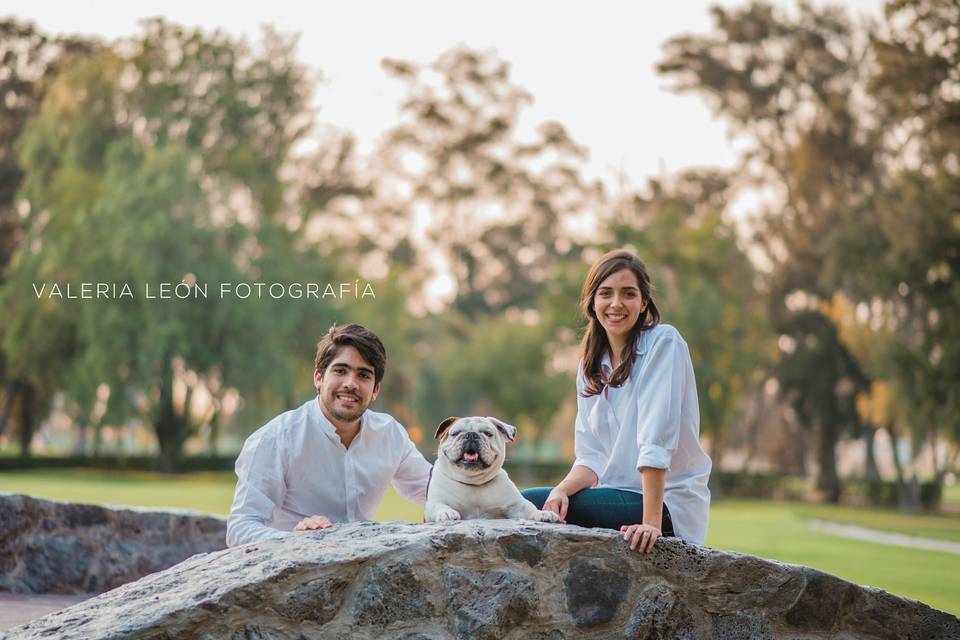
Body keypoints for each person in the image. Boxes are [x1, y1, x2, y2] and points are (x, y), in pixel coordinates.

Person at [523, 249, 711, 553]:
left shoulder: (663, 343)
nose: (616, 304)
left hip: (665, 504)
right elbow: (591, 457)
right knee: (536, 502)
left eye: (628, 293)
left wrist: (651, 523)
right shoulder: (590, 366)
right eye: (606, 293)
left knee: (526, 503)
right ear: (592, 302)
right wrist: (560, 490)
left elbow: (656, 439)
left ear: (644, 301)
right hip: (615, 493)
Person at [226, 323, 432, 547]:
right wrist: (294, 541)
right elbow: (240, 528)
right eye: (340, 370)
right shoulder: (275, 439)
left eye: (363, 375)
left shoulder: (390, 435)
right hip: (293, 572)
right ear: (318, 378)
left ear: (375, 390)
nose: (350, 384)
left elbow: (436, 491)